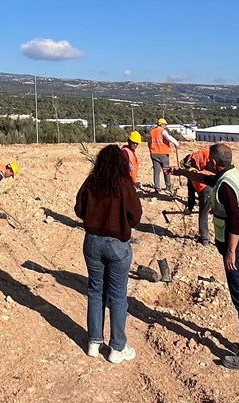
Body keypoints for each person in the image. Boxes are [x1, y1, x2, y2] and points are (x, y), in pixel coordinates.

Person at [180, 144, 239, 371]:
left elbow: (235, 218)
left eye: (209, 159)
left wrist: (230, 251)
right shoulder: (229, 175)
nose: (206, 161)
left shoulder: (226, 185)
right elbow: (207, 180)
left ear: (215, 163)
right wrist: (181, 172)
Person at [74, 145, 143, 364]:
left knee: (95, 291)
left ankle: (94, 342)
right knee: (117, 295)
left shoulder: (92, 182)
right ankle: (117, 347)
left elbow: (78, 209)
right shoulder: (125, 184)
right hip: (117, 244)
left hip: (92, 242)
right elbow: (136, 215)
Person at [181, 146, 212, 244]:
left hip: (205, 191)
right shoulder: (203, 169)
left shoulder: (191, 176)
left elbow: (191, 195)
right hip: (215, 188)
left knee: (203, 215)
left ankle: (204, 240)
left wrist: (189, 209)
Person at [147, 119, 180, 195]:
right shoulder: (162, 131)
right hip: (163, 154)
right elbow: (168, 137)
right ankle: (168, 186)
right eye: (165, 124)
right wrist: (176, 143)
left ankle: (157, 188)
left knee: (156, 172)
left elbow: (149, 143)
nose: (166, 126)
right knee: (166, 170)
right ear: (161, 124)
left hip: (154, 153)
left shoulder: (152, 132)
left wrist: (151, 150)